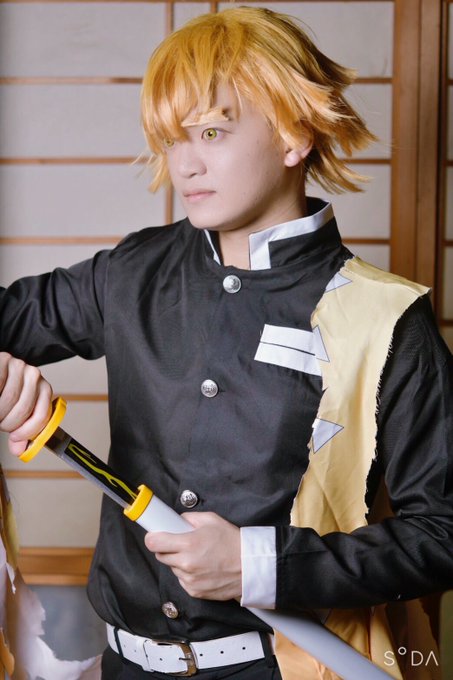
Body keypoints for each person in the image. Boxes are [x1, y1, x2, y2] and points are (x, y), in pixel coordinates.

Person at [1, 7, 452, 679]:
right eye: (171, 139)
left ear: (295, 134)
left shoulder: (386, 318)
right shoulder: (131, 273)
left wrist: (261, 565)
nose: (184, 164)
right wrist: (8, 379)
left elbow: (441, 533)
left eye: (211, 132)